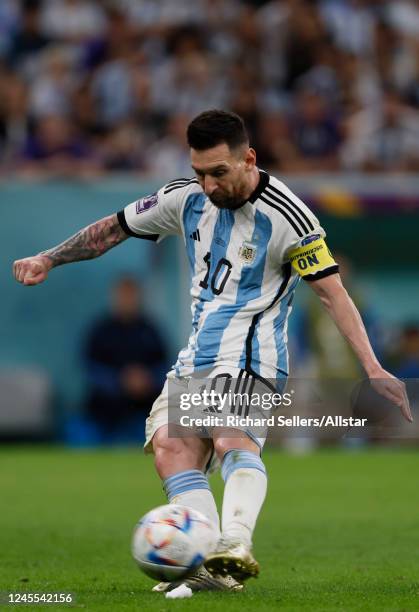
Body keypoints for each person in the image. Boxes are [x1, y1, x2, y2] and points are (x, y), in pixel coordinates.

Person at [13, 109, 411, 596]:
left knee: (228, 437)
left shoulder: (289, 216)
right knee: (171, 447)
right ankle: (205, 566)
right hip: (197, 355)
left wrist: (372, 366)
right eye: (200, 172)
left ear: (249, 159)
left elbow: (333, 294)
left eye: (218, 173)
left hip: (253, 355)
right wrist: (49, 257)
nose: (207, 185)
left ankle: (236, 544)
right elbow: (114, 228)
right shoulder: (184, 198)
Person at [83, 276, 167, 444]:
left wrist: (147, 379)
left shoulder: (150, 330)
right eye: (123, 295)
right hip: (108, 404)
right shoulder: (101, 330)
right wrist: (119, 381)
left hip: (145, 402)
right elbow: (91, 367)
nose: (127, 300)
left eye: (131, 295)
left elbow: (165, 364)